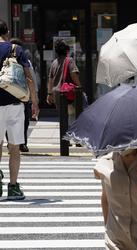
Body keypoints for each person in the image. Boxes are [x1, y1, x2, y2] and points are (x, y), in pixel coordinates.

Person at [0, 19, 39, 200]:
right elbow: (29, 77)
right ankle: (13, 187)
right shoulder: (16, 49)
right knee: (14, 148)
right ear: (7, 31)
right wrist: (34, 101)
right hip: (15, 104)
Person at [10, 37, 38, 153]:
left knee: (10, 121)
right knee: (24, 120)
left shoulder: (4, 58)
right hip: (23, 95)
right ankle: (22, 143)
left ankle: (12, 143)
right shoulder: (24, 59)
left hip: (8, 93)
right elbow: (31, 78)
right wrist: (34, 96)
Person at [46, 39, 80, 126]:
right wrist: (79, 87)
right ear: (67, 50)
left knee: (63, 118)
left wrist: (49, 94)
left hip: (57, 94)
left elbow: (50, 79)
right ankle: (69, 135)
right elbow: (73, 74)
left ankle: (64, 136)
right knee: (72, 116)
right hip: (68, 94)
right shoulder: (70, 61)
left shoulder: (54, 63)